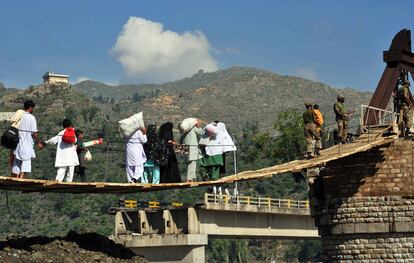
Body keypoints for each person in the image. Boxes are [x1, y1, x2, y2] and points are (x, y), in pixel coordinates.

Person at [12, 100, 44, 178]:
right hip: (27, 144)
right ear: (30, 108)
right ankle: (21, 178)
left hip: (18, 143)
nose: (33, 110)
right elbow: (34, 133)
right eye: (33, 108)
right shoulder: (31, 118)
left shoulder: (20, 116)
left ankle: (16, 178)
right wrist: (39, 142)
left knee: (17, 161)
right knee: (26, 161)